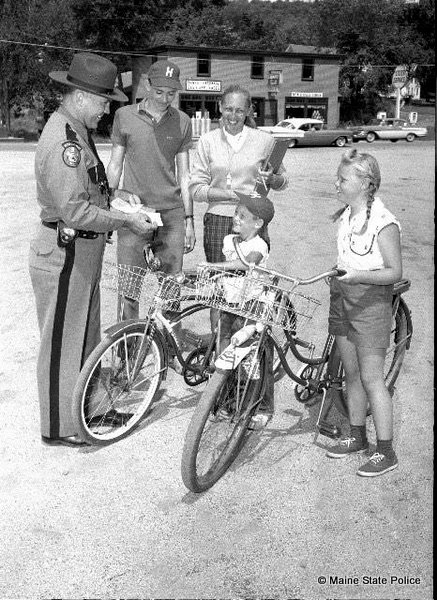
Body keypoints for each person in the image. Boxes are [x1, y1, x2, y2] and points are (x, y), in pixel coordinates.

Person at [29, 52, 157, 448]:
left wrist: (118, 197)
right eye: (104, 102)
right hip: (65, 253)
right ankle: (60, 426)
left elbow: (90, 191)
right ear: (82, 96)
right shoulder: (64, 141)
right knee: (62, 345)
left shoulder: (77, 131)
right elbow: (75, 210)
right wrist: (126, 221)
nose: (106, 110)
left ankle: (91, 410)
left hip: (82, 254)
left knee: (85, 337)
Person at [325, 148, 402, 477]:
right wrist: (341, 271)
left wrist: (358, 276)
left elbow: (394, 272)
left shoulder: (384, 222)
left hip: (370, 301)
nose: (337, 183)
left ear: (366, 184)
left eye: (343, 179)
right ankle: (357, 435)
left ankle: (386, 451)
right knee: (352, 375)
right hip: (343, 295)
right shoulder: (348, 214)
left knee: (372, 378)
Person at [107, 60, 195, 321]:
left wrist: (189, 220)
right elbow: (115, 164)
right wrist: (110, 204)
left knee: (170, 291)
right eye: (159, 92)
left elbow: (186, 174)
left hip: (171, 216)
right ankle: (125, 354)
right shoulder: (124, 116)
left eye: (171, 93)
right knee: (129, 290)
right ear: (147, 85)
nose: (165, 98)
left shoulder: (183, 121)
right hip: (135, 215)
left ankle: (167, 354)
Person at [200, 191, 275, 428]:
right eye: (236, 213)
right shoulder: (229, 240)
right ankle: (229, 401)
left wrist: (214, 267)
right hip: (230, 304)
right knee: (225, 353)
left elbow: (245, 264)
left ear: (258, 223)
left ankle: (261, 406)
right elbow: (227, 274)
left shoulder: (259, 245)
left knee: (251, 359)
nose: (236, 218)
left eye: (242, 216)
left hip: (251, 306)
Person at [189, 84, 288, 264]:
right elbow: (196, 189)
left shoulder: (265, 140)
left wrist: (273, 179)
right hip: (217, 219)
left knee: (249, 279)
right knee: (217, 281)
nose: (233, 116)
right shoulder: (207, 141)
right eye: (228, 109)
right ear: (220, 107)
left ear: (248, 111)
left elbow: (284, 182)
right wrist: (232, 195)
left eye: (239, 111)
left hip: (252, 220)